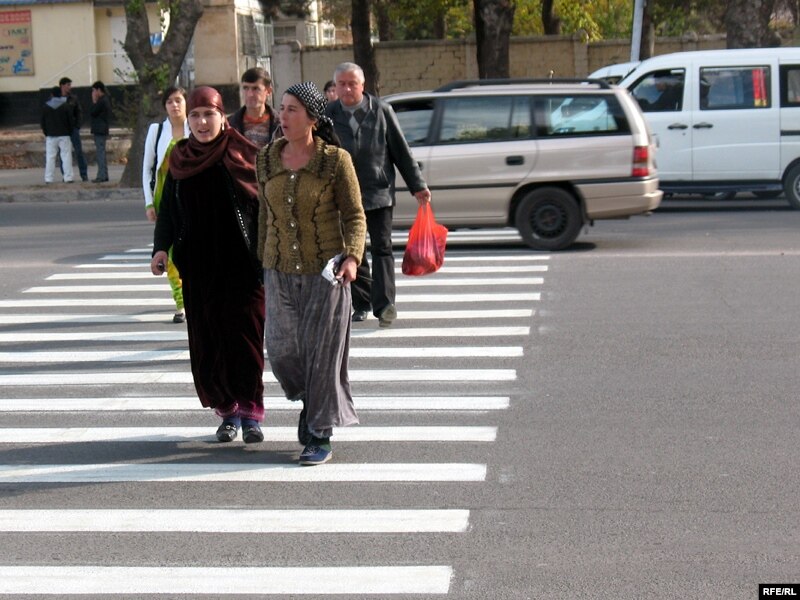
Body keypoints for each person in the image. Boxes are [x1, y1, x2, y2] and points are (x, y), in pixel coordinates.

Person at [256, 81, 366, 465]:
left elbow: (355, 216)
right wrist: (260, 262)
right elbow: (263, 217)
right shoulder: (266, 158)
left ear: (313, 119)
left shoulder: (335, 161)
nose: (283, 116)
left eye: (292, 110)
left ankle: (320, 433)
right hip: (278, 270)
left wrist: (352, 258)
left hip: (327, 275)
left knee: (323, 358)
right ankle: (310, 400)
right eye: (281, 108)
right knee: (281, 351)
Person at [150, 86, 266, 445]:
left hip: (242, 266)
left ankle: (251, 414)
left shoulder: (243, 152)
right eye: (196, 115)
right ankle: (228, 412)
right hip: (198, 268)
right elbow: (168, 210)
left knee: (246, 340)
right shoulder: (179, 157)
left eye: (209, 114)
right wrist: (161, 248)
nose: (202, 122)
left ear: (222, 117)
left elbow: (264, 207)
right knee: (209, 343)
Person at [325, 62, 431, 328]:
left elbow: (400, 151)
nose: (347, 89)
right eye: (341, 84)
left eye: (352, 84)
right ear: (335, 87)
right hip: (343, 195)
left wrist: (417, 185)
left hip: (378, 190)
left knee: (382, 248)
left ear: (362, 85)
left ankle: (385, 306)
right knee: (353, 249)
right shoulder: (328, 115)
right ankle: (361, 302)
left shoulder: (382, 111)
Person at [143, 86, 190, 324]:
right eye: (170, 101)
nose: (175, 105)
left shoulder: (196, 128)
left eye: (178, 100)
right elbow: (147, 168)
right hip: (165, 199)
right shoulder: (157, 130)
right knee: (169, 255)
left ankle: (193, 294)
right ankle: (181, 303)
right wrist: (149, 202)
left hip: (191, 200)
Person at [228, 67, 279, 148]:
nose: (250, 94)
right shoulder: (230, 125)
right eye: (245, 88)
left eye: (255, 89)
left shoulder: (281, 124)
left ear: (268, 91)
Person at [41, 86, 74, 184]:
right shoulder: (65, 106)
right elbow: (70, 121)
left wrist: (46, 132)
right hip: (64, 134)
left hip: (51, 135)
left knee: (50, 157)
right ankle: (68, 177)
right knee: (66, 156)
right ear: (60, 94)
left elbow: (43, 122)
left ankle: (49, 178)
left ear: (52, 95)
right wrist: (70, 132)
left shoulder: (46, 107)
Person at [59, 77, 89, 182]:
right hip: (62, 130)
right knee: (63, 153)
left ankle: (84, 174)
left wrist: (77, 125)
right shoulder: (56, 99)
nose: (69, 87)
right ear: (62, 86)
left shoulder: (73, 98)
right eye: (68, 85)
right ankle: (65, 174)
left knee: (79, 151)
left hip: (73, 129)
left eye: (70, 85)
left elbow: (79, 112)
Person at [89, 81, 112, 183]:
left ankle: (101, 175)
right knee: (101, 152)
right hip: (101, 129)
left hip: (100, 129)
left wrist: (94, 101)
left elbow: (93, 112)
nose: (93, 93)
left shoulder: (101, 101)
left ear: (99, 90)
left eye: (94, 91)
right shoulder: (105, 100)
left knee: (100, 153)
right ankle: (104, 174)